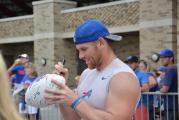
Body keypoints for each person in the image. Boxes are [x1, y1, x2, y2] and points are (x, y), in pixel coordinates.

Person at [44, 20, 140, 120]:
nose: (80, 56)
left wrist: (76, 101)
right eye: (78, 51)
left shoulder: (122, 76)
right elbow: (73, 118)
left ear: (101, 43)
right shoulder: (86, 74)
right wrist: (61, 87)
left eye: (84, 49)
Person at [125, 56, 149, 120]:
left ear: (137, 63)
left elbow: (146, 88)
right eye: (128, 63)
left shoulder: (142, 73)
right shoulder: (128, 73)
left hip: (140, 105)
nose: (129, 65)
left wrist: (132, 89)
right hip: (130, 106)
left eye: (131, 63)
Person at [0, 53, 23, 120]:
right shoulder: (17, 68)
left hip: (25, 87)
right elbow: (7, 72)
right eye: (21, 58)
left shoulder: (28, 67)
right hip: (18, 87)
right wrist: (14, 64)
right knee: (16, 103)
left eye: (24, 58)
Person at [158, 48, 178, 120]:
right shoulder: (174, 68)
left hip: (171, 106)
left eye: (164, 57)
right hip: (172, 105)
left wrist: (158, 91)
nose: (161, 59)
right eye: (161, 57)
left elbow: (165, 89)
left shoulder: (170, 70)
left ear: (171, 58)